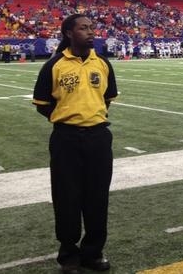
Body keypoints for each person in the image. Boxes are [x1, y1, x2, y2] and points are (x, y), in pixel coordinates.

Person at [32, 14, 118, 273]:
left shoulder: (102, 63)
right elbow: (42, 104)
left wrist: (89, 117)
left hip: (99, 138)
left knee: (97, 197)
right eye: (84, 28)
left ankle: (93, 252)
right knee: (66, 197)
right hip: (66, 139)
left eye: (92, 28)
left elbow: (107, 99)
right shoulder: (54, 65)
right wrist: (69, 119)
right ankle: (68, 255)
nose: (91, 32)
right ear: (69, 33)